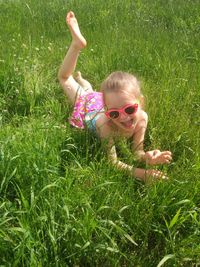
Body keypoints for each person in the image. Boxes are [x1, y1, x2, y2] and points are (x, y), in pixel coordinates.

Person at [58, 11, 172, 182]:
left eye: (129, 109)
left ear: (140, 102)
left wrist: (148, 157)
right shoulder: (105, 124)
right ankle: (76, 45)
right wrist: (143, 174)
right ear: (108, 111)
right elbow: (113, 163)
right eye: (115, 114)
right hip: (90, 108)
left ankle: (82, 80)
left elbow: (136, 152)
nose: (124, 117)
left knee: (88, 89)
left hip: (103, 101)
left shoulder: (141, 118)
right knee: (65, 78)